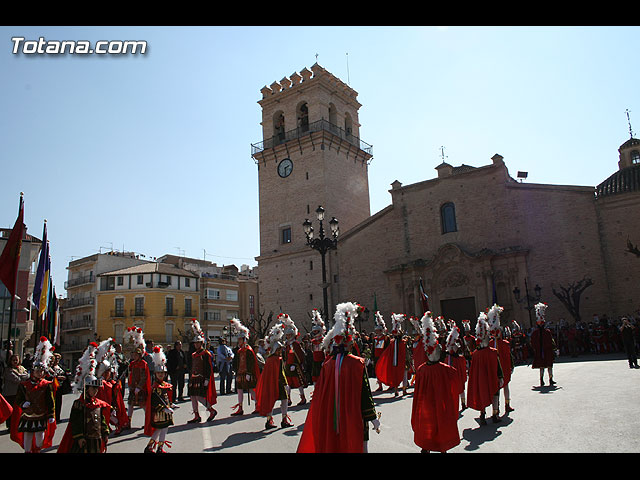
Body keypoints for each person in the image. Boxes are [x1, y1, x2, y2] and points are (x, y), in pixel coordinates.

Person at [297, 302, 380, 453]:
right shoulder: (357, 364)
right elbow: (365, 392)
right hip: (353, 415)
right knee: (360, 444)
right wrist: (372, 416)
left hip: (333, 419)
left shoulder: (328, 365)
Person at [411, 312, 460, 453]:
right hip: (439, 403)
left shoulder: (422, 369)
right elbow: (457, 380)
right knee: (438, 423)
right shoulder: (443, 369)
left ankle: (427, 446)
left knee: (428, 424)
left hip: (427, 403)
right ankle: (440, 446)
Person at [58, 343, 111, 453]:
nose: (96, 391)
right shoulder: (79, 404)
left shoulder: (98, 403)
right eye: (93, 389)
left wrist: (105, 432)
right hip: (84, 439)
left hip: (96, 438)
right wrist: (79, 437)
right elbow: (75, 422)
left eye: (97, 389)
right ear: (87, 389)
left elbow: (102, 420)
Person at [10, 337, 57, 453]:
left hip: (41, 415)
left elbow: (50, 401)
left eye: (41, 371)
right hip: (27, 415)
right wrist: (22, 404)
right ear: (33, 371)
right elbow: (18, 399)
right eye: (37, 371)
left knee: (39, 441)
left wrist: (51, 415)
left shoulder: (46, 385)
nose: (39, 373)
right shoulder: (24, 385)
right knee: (27, 440)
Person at [466, 313, 503, 426]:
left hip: (482, 379)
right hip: (491, 378)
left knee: (483, 393)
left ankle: (483, 415)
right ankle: (494, 414)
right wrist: (500, 376)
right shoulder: (491, 352)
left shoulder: (476, 354)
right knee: (495, 393)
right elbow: (498, 366)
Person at [255, 322, 292, 429]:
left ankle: (283, 419)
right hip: (276, 384)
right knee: (273, 401)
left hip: (278, 383)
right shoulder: (272, 360)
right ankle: (270, 420)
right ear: (275, 350)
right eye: (279, 350)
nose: (280, 351)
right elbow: (277, 373)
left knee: (284, 401)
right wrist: (283, 382)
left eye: (281, 350)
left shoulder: (276, 359)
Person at [143, 346, 174, 453]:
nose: (161, 375)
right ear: (155, 374)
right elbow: (155, 401)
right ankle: (151, 446)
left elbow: (166, 398)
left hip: (166, 411)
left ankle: (158, 447)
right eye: (159, 373)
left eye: (163, 374)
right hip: (159, 413)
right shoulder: (155, 387)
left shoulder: (164, 385)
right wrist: (164, 408)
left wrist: (170, 404)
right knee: (159, 429)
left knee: (163, 430)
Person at [187, 319, 217, 423]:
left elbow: (208, 367)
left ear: (201, 343)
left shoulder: (205, 354)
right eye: (195, 343)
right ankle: (196, 415)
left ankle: (211, 410)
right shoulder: (194, 354)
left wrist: (207, 379)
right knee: (192, 397)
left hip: (201, 378)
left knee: (200, 397)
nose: (196, 345)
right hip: (193, 378)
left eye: (198, 343)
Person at [487, 304, 515, 414]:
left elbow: (509, 356)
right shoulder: (493, 344)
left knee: (504, 386)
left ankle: (504, 405)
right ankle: (497, 408)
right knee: (499, 388)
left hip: (503, 368)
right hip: (497, 369)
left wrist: (511, 366)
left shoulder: (503, 344)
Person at [230, 318, 260, 416]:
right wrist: (235, 370)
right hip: (240, 373)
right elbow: (237, 362)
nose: (238, 341)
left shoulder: (248, 350)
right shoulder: (239, 351)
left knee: (251, 389)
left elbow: (251, 363)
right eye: (238, 339)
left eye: (240, 339)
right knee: (239, 390)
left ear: (244, 340)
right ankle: (240, 407)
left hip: (247, 373)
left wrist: (249, 373)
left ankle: (257, 405)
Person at [375, 313, 409, 397]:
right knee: (397, 375)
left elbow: (406, 351)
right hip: (396, 362)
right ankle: (398, 389)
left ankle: (401, 389)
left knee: (402, 374)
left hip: (401, 361)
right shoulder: (394, 342)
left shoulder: (400, 342)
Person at [280, 314, 308, 405]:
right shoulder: (287, 344)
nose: (287, 336)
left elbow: (300, 354)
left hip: (294, 365)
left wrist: (295, 363)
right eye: (287, 335)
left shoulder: (295, 344)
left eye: (289, 335)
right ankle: (288, 399)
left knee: (298, 382)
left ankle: (303, 397)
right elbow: (285, 354)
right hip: (288, 365)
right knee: (288, 383)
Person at [530, 303, 557, 386]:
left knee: (547, 366)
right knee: (546, 366)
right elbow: (550, 341)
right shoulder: (543, 332)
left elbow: (550, 341)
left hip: (544, 351)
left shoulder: (539, 333)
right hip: (544, 351)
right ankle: (544, 379)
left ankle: (548, 379)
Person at [444, 322, 467, 412]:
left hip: (457, 362)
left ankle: (463, 403)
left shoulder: (458, 342)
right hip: (452, 362)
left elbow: (460, 349)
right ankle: (454, 404)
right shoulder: (448, 357)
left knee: (460, 385)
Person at [2, 354, 29, 430]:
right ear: (10, 361)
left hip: (20, 393)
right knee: (11, 411)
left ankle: (18, 424)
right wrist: (21, 376)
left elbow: (27, 376)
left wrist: (21, 375)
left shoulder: (21, 368)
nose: (15, 361)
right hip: (10, 393)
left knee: (20, 410)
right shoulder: (8, 370)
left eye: (16, 360)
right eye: (13, 360)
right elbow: (17, 380)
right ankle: (10, 426)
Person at [372, 312, 389, 392]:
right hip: (376, 357)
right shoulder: (375, 339)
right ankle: (380, 385)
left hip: (383, 357)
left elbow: (387, 347)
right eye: (376, 331)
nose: (377, 332)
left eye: (378, 330)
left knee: (385, 371)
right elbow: (373, 348)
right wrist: (372, 357)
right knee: (377, 371)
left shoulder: (385, 338)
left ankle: (390, 383)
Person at [309, 309, 326, 384]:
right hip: (315, 361)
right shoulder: (313, 341)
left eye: (316, 331)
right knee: (315, 378)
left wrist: (325, 361)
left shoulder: (324, 340)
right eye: (314, 332)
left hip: (322, 361)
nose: (315, 333)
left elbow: (326, 351)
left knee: (323, 378)